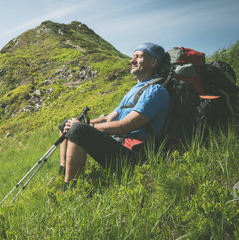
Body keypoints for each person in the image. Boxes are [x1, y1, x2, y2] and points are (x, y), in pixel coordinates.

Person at [58, 43, 169, 189]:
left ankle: (68, 190)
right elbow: (108, 119)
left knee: (78, 130)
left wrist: (83, 126)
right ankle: (62, 174)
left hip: (137, 158)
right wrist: (79, 121)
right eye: (133, 56)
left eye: (139, 56)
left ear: (153, 61)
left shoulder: (155, 91)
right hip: (120, 146)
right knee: (67, 124)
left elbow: (126, 126)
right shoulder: (134, 91)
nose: (132, 60)